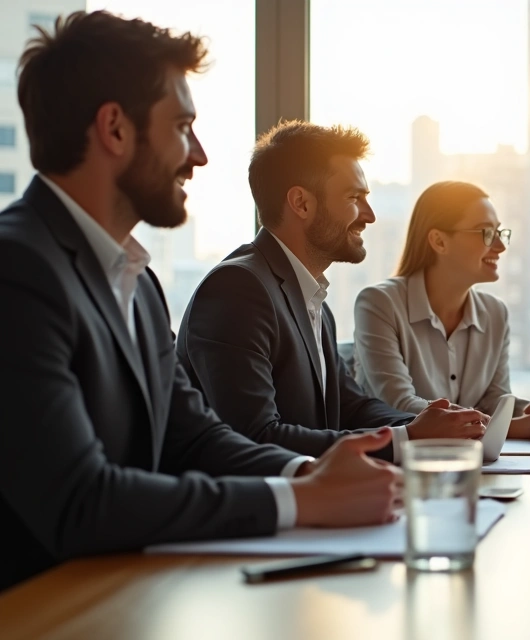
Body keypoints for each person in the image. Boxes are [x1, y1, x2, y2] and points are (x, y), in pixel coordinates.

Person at [0, 11, 402, 591]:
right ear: (115, 129)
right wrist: (296, 501)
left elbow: (194, 436)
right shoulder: (18, 270)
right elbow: (81, 500)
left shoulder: (136, 283)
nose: (201, 155)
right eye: (183, 126)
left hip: (123, 593)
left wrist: (311, 474)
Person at [177, 123, 487, 463]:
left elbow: (351, 406)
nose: (369, 216)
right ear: (301, 203)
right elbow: (255, 437)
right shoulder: (237, 290)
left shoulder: (312, 300)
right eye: (354, 198)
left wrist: (435, 425)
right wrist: (408, 438)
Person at [353, 181, 530, 439]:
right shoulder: (378, 304)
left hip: (470, 462)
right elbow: (400, 405)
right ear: (439, 241)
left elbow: (494, 400)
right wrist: (509, 427)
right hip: (398, 466)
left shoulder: (495, 313)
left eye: (500, 232)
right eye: (486, 232)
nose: (500, 246)